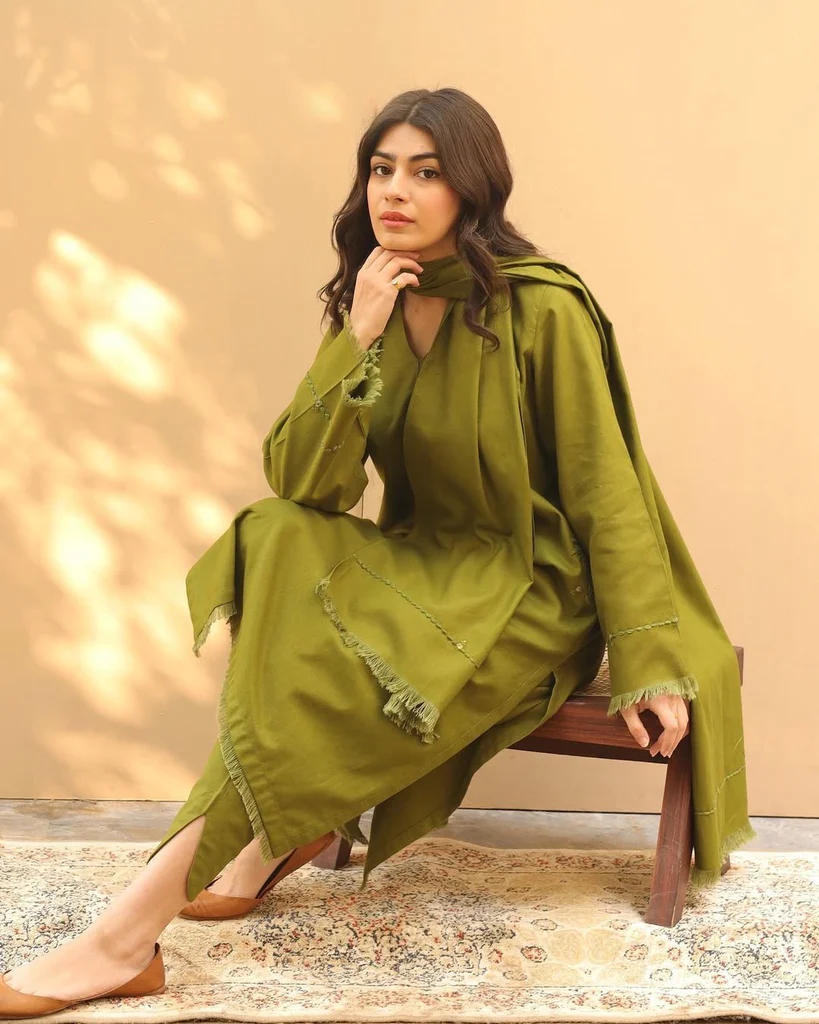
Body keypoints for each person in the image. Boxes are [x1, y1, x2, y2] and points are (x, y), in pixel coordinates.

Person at [0, 86, 754, 1016]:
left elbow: (608, 491)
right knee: (274, 532)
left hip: (530, 589)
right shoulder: (375, 298)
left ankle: (125, 937)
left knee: (306, 669)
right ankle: (263, 839)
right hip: (424, 564)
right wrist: (353, 338)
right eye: (380, 168)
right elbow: (304, 485)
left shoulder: (542, 307)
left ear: (471, 187)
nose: (394, 191)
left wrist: (647, 656)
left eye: (425, 173)